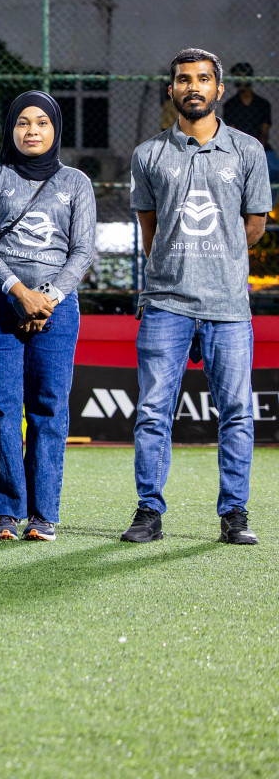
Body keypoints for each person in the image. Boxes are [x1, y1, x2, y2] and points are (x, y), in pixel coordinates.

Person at [122, 48, 269, 545]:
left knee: (237, 413)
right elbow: (150, 230)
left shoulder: (247, 151)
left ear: (218, 89)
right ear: (172, 90)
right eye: (184, 79)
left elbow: (254, 226)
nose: (193, 87)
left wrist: (218, 259)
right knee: (153, 412)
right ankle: (149, 511)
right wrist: (176, 263)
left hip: (228, 306)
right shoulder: (149, 154)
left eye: (203, 79)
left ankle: (234, 514)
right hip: (166, 303)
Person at [0, 91, 96, 542]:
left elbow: (83, 251)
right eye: (23, 122)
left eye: (42, 122)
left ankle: (43, 514)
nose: (32, 131)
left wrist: (47, 299)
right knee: (1, 408)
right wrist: (18, 292)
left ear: (55, 129)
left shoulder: (76, 182)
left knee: (49, 408)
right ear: (11, 129)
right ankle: (5, 511)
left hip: (56, 310)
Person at [220, 62, 279, 180]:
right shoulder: (230, 105)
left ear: (249, 77)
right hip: (238, 150)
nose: (239, 81)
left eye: (241, 76)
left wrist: (257, 152)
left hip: (262, 148)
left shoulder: (262, 104)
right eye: (236, 77)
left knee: (274, 171)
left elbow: (264, 133)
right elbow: (233, 133)